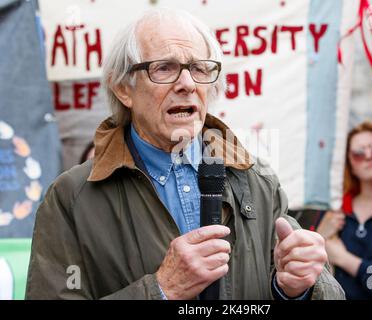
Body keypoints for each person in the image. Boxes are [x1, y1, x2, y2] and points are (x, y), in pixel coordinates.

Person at [25, 8, 344, 300]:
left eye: (199, 68)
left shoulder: (257, 181)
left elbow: (325, 292)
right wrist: (161, 290)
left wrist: (298, 288)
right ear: (124, 89)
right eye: (164, 68)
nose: (188, 83)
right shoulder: (71, 198)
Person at [315, 120, 372, 299]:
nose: (369, 155)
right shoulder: (335, 210)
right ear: (350, 164)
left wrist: (343, 258)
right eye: (358, 153)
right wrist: (320, 236)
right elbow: (312, 279)